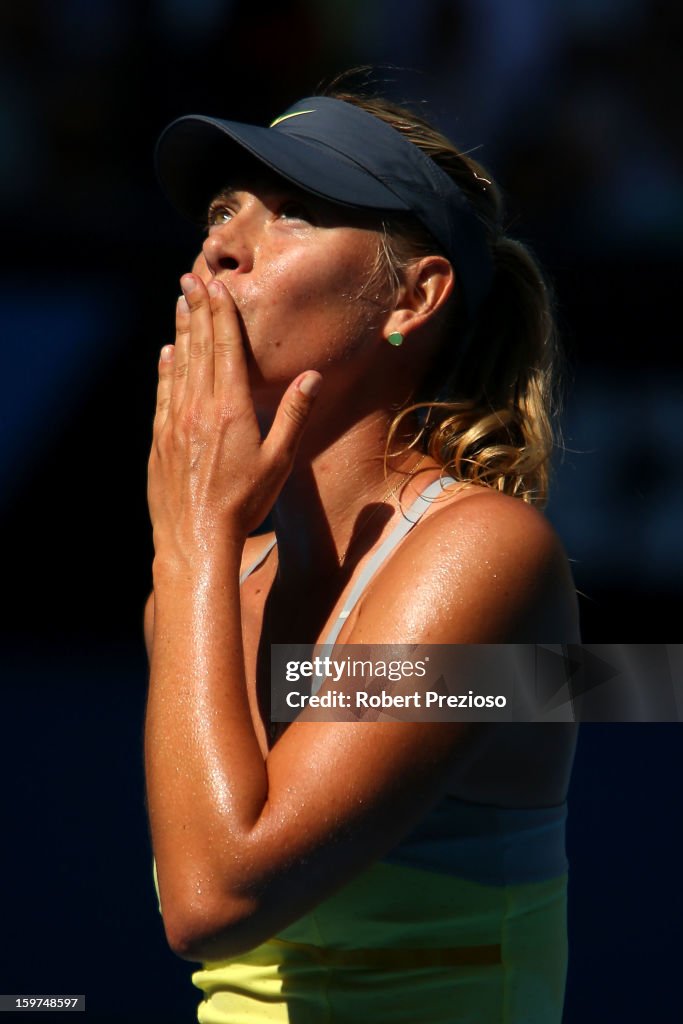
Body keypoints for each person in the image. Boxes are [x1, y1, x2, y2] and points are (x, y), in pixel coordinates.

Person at [144, 80, 581, 1024]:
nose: (222, 243)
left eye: (293, 212)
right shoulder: (211, 583)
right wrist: (196, 558)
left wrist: (188, 548)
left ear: (412, 298)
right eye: (223, 211)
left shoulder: (482, 552)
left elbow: (215, 898)